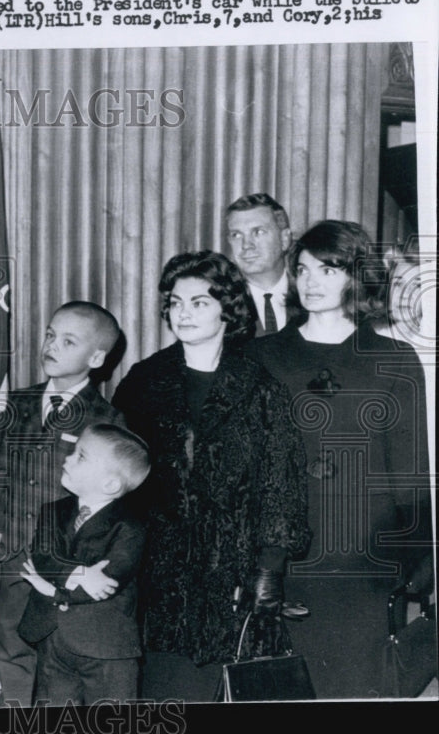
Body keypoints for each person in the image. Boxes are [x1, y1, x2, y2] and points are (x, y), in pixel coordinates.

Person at [111, 250, 310, 701]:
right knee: (165, 697)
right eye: (175, 302)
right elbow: (118, 477)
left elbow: (280, 485)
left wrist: (269, 574)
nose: (183, 313)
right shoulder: (143, 382)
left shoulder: (260, 386)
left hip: (235, 576)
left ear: (227, 308)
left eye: (199, 302)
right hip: (157, 575)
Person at [247, 220, 433, 699]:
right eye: (303, 270)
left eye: (328, 270)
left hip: (362, 552)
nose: (311, 282)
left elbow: (407, 465)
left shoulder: (393, 358)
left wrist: (419, 556)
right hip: (281, 550)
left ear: (356, 276)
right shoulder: (261, 355)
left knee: (357, 689)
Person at [0, 300, 126, 706]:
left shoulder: (106, 420)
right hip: (17, 552)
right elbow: (0, 469)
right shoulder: (21, 403)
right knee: (12, 642)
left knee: (58, 652)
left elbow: (107, 505)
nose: (52, 346)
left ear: (96, 358)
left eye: (68, 340)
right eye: (49, 335)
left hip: (64, 558)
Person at [18, 423, 150, 706]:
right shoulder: (52, 511)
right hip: (52, 639)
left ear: (110, 484)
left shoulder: (131, 526)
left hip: (105, 646)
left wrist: (54, 590)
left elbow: (107, 583)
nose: (67, 458)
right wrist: (76, 572)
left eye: (81, 456)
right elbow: (43, 557)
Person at [224, 193, 297, 336]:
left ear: (284, 239)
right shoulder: (221, 303)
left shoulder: (310, 297)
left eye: (258, 232)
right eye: (236, 235)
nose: (246, 245)